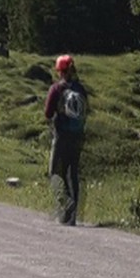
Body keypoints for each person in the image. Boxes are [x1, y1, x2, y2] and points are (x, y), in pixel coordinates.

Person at [42, 54, 89, 226]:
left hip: (61, 136)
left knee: (54, 172)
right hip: (77, 137)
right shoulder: (81, 89)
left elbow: (47, 113)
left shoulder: (56, 89)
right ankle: (73, 216)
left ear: (59, 71)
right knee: (72, 174)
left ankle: (64, 208)